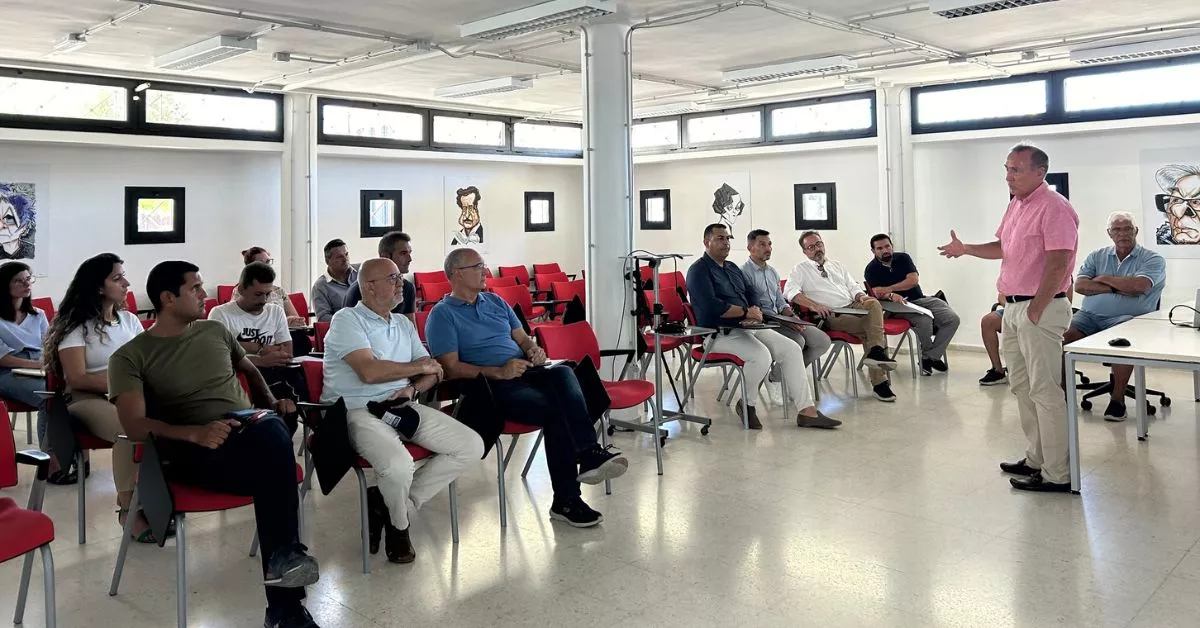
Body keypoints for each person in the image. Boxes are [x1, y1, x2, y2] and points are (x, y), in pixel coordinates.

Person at [108, 261, 320, 627]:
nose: (205, 294)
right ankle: (286, 589)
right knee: (275, 450)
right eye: (195, 288)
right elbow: (134, 425)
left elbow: (251, 371)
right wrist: (194, 433)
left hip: (247, 432)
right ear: (168, 298)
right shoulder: (130, 356)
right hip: (191, 449)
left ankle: (285, 604)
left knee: (271, 429)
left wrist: (270, 403)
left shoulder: (214, 331)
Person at [426, 248, 628, 528]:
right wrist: (498, 372)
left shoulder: (495, 302)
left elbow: (523, 339)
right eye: (478, 266)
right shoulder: (442, 315)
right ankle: (568, 497)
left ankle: (587, 453)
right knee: (556, 412)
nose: (485, 271)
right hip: (490, 384)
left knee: (563, 374)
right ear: (456, 274)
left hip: (527, 370)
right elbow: (450, 367)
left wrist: (535, 351)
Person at [322, 258, 483, 564]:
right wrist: (418, 366)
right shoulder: (347, 320)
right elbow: (368, 372)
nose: (402, 284)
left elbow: (434, 371)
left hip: (401, 404)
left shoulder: (402, 323)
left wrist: (412, 387)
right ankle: (400, 528)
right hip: (356, 410)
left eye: (400, 278)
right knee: (398, 465)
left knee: (470, 445)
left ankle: (389, 504)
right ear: (369, 286)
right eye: (393, 278)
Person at [939, 143, 1078, 494]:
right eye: (1007, 168)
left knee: (1046, 391)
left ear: (1039, 172)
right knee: (1022, 386)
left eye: (1016, 170)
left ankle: (1058, 473)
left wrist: (1037, 307)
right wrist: (966, 248)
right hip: (1014, 308)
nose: (1008, 176)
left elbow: (1060, 261)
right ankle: (1037, 458)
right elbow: (1004, 248)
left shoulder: (1055, 207)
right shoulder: (1017, 204)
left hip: (1040, 308)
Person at [688, 224, 839, 430]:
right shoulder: (698, 270)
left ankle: (807, 411)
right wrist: (744, 313)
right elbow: (710, 307)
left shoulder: (731, 268)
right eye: (720, 238)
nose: (726, 243)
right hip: (719, 334)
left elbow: (750, 294)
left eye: (728, 238)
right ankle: (747, 404)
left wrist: (754, 310)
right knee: (762, 356)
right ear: (707, 242)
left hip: (749, 327)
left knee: (792, 348)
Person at [43, 254, 149, 539]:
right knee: (130, 430)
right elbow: (76, 377)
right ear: (98, 287)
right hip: (85, 399)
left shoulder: (128, 321)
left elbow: (147, 362)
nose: (126, 283)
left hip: (129, 395)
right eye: (117, 278)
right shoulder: (75, 326)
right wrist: (124, 385)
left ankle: (158, 497)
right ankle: (128, 507)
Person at [1065, 211, 1166, 421]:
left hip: (1128, 318)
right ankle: (1063, 395)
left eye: (1128, 228)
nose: (1123, 234)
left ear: (1136, 231)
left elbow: (1139, 286)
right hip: (1089, 316)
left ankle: (1117, 400)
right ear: (1109, 233)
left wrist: (1103, 279)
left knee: (1122, 344)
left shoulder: (1153, 259)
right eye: (1117, 229)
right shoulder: (1096, 256)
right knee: (1061, 340)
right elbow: (1081, 285)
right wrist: (1116, 288)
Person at [784, 231, 899, 402]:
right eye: (811, 247)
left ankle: (875, 352)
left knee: (873, 303)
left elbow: (853, 286)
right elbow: (790, 292)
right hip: (832, 314)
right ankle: (879, 382)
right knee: (872, 329)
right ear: (805, 252)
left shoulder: (837, 265)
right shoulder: (800, 269)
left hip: (853, 306)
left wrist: (861, 296)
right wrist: (814, 305)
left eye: (819, 244)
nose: (817, 249)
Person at [209, 262, 304, 435]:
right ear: (242, 289)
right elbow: (221, 358)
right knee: (282, 401)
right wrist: (261, 357)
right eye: (258, 294)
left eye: (267, 294)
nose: (263, 300)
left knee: (294, 392)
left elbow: (287, 351)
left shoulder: (275, 311)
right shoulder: (221, 314)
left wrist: (246, 348)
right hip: (242, 377)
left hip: (276, 371)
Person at [742, 229, 833, 407]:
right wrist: (785, 321)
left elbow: (780, 303)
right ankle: (778, 380)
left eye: (769, 244)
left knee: (822, 341)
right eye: (762, 244)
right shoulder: (744, 273)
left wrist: (793, 318)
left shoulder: (772, 272)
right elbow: (752, 308)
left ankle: (779, 375)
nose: (768, 248)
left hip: (781, 317)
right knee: (798, 341)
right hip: (764, 322)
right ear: (750, 248)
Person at [864, 234, 962, 376]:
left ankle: (930, 356)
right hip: (896, 306)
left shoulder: (903, 258)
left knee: (952, 319)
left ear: (892, 246)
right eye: (879, 248)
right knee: (925, 320)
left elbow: (913, 281)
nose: (885, 250)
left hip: (920, 300)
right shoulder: (871, 269)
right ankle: (930, 358)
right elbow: (876, 294)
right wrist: (890, 295)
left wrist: (888, 289)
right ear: (873, 251)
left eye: (887, 246)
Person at [0, 262, 49, 457]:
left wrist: (45, 363)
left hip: (39, 365)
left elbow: (48, 345)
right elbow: (3, 359)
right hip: (7, 372)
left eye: (28, 279)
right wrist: (38, 365)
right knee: (48, 398)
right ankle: (49, 459)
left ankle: (70, 455)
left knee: (67, 393)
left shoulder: (38, 315)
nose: (26, 284)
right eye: (18, 281)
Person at [342, 231, 417, 323]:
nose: (410, 259)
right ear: (385, 256)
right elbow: (351, 326)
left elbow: (411, 328)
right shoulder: (360, 289)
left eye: (410, 253)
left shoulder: (407, 287)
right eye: (403, 253)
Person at [238, 247, 306, 327]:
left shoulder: (279, 291)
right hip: (258, 334)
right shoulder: (242, 290)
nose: (266, 266)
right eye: (261, 263)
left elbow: (296, 319)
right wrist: (282, 322)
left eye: (268, 262)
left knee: (301, 336)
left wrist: (292, 321)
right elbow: (241, 321)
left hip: (284, 332)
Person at [311, 239, 357, 322]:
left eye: (346, 254)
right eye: (339, 257)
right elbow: (323, 318)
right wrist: (349, 322)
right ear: (328, 261)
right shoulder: (320, 286)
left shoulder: (361, 272)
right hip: (344, 329)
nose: (345, 259)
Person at [979, 295, 1008, 386]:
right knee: (988, 321)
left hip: (1038, 307)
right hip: (1012, 308)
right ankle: (998, 370)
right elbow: (1002, 295)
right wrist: (1009, 307)